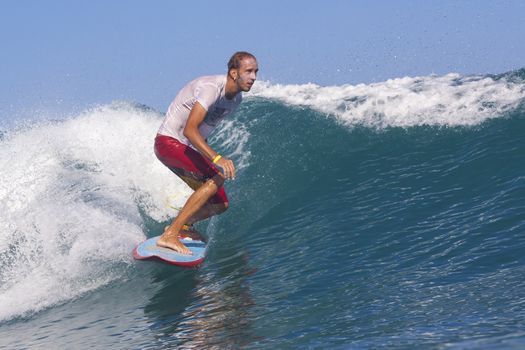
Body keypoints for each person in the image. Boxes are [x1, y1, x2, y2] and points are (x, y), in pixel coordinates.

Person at [154, 51, 258, 255]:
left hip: (184, 147)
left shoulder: (235, 100)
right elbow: (189, 130)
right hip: (168, 142)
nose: (254, 77)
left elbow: (202, 132)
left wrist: (205, 159)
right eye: (249, 71)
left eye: (256, 72)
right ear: (234, 73)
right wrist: (217, 158)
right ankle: (170, 235)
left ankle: (183, 227)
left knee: (220, 204)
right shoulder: (212, 89)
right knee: (216, 177)